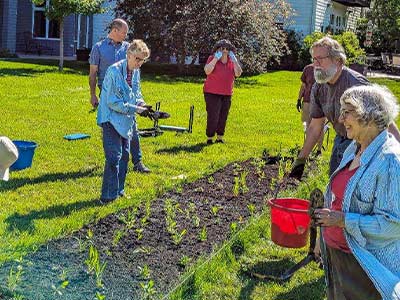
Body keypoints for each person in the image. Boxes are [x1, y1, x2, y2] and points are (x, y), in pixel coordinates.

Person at [314, 85, 400, 300]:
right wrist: (322, 234)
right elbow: (340, 198)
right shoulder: (355, 148)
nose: (341, 119)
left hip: (364, 263)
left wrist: (343, 221)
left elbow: (392, 225)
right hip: (338, 253)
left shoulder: (389, 161)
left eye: (347, 112)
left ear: (368, 115)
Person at [290, 36, 400, 179]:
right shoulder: (318, 87)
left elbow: (384, 121)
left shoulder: (356, 85)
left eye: (320, 59)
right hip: (342, 138)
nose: (315, 64)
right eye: (313, 59)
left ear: (338, 60)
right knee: (335, 184)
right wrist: (301, 160)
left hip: (366, 144)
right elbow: (315, 126)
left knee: (356, 189)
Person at [89, 18, 150, 173]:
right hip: (109, 93)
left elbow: (135, 80)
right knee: (111, 128)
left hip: (126, 95)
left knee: (132, 127)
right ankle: (112, 162)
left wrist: (139, 105)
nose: (126, 35)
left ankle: (138, 162)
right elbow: (93, 73)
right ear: (115, 30)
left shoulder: (128, 48)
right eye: (124, 32)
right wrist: (93, 94)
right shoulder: (99, 48)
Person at [97, 40, 151, 203]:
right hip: (110, 118)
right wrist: (135, 109)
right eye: (137, 59)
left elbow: (137, 93)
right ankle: (107, 196)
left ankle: (119, 191)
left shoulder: (135, 72)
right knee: (113, 157)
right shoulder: (113, 71)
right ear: (128, 55)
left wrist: (142, 104)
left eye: (142, 60)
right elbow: (112, 102)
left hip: (125, 119)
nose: (139, 63)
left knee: (124, 157)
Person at [203, 39, 242, 144]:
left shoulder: (232, 61)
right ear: (217, 50)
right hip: (211, 92)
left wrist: (235, 61)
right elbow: (207, 71)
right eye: (222, 48)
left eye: (227, 49)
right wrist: (216, 59)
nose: (225, 51)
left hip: (227, 93)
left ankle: (220, 137)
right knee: (213, 115)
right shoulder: (212, 58)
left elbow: (238, 74)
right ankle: (210, 137)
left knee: (223, 115)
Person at [296, 63, 324, 155]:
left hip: (320, 103)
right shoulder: (307, 69)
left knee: (319, 126)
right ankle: (307, 149)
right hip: (307, 101)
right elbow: (303, 86)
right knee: (308, 126)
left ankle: (319, 150)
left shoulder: (326, 69)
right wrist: (299, 99)